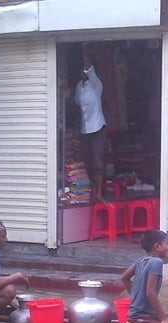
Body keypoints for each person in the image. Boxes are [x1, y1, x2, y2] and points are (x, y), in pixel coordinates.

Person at [120, 229, 168, 323]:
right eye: (167, 243)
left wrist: (136, 296)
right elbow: (150, 293)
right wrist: (164, 319)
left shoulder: (141, 260)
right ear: (157, 246)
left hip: (148, 316)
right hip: (141, 317)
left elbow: (124, 278)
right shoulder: (157, 262)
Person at [63, 43, 107, 203]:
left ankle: (98, 193)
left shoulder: (96, 84)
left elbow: (88, 67)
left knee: (97, 161)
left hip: (98, 127)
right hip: (85, 129)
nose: (83, 70)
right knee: (87, 161)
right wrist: (67, 96)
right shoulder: (79, 87)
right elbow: (76, 104)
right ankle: (91, 191)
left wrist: (83, 50)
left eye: (85, 68)